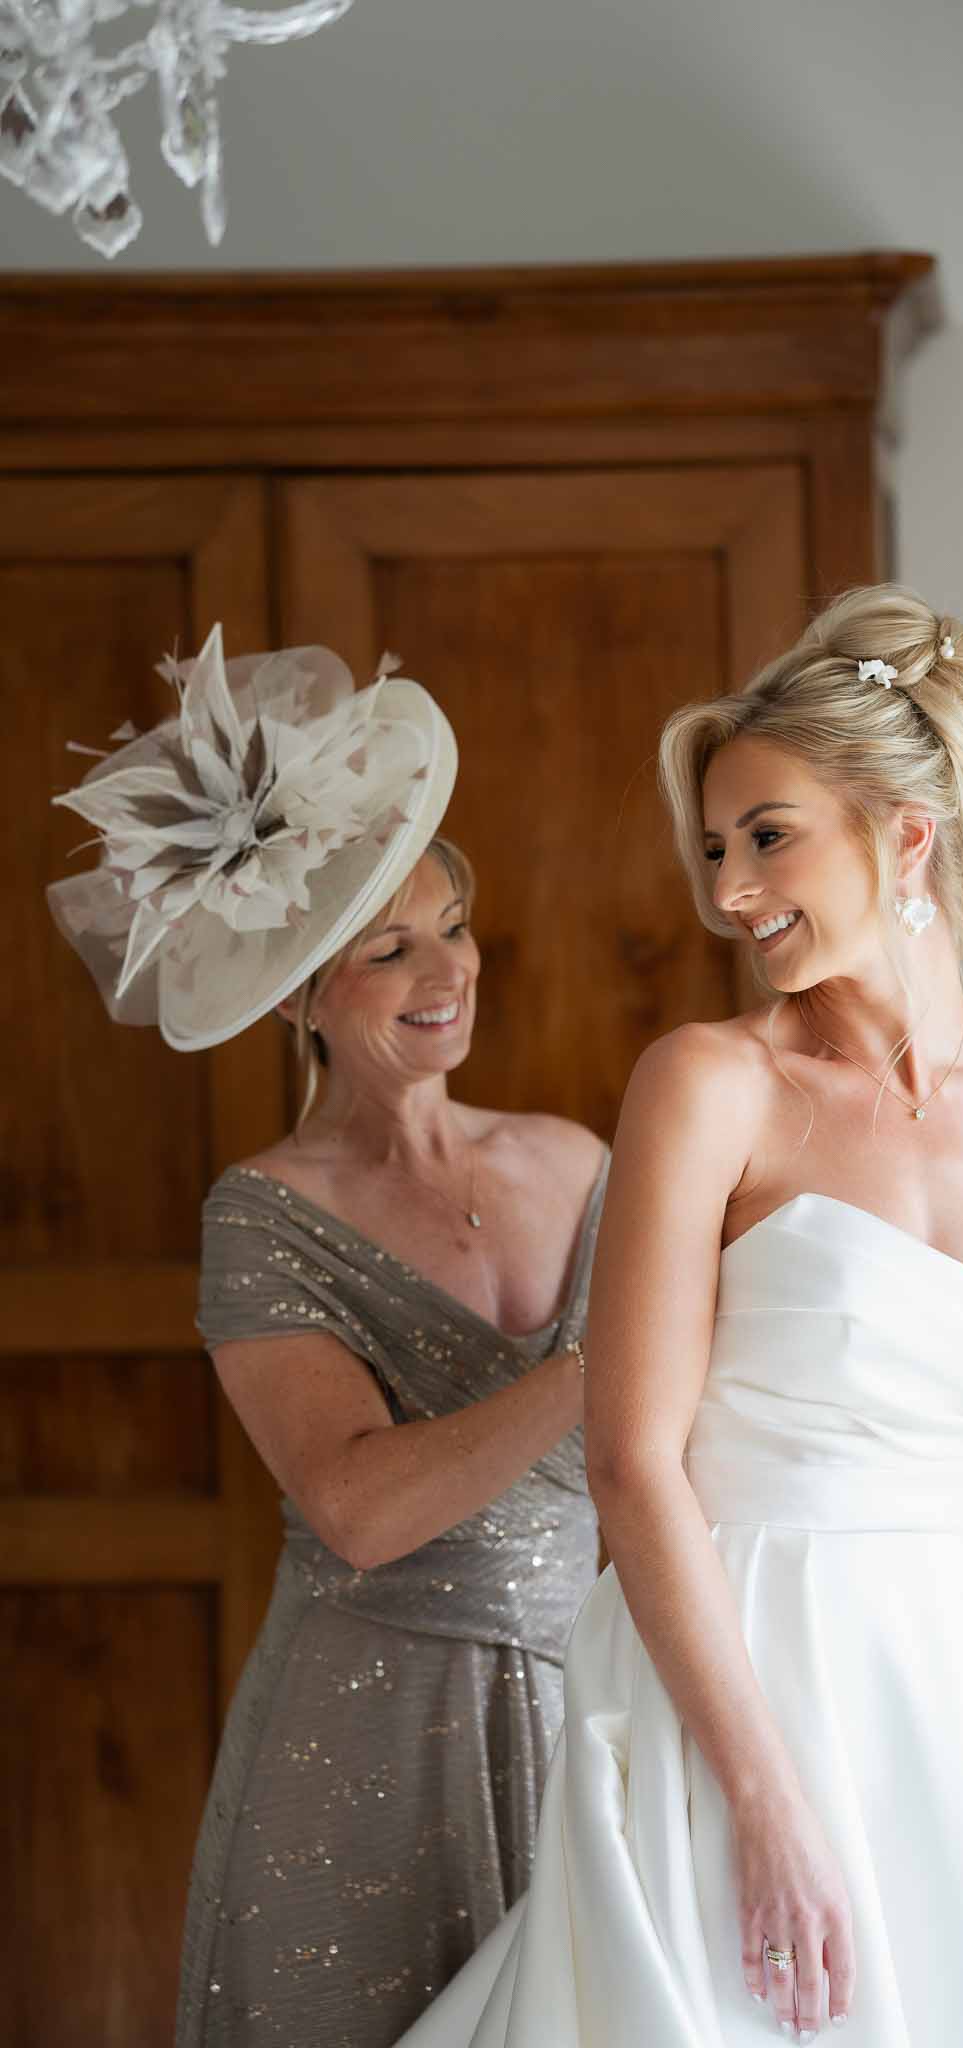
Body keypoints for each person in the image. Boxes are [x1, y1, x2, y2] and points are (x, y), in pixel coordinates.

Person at [398, 585, 963, 2046]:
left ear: (906, 834)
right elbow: (633, 1461)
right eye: (712, 849)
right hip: (739, 1660)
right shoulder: (708, 1084)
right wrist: (760, 1800)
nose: (729, 892)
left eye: (767, 837)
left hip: (962, 1678)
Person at [48, 626, 607, 2047]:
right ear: (299, 994)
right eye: (387, 949)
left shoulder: (577, 1159)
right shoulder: (265, 1213)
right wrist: (595, 1371)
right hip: (368, 1730)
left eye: (453, 925)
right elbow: (357, 1508)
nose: (446, 969)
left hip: (594, 1708)